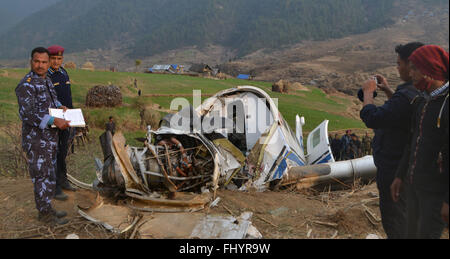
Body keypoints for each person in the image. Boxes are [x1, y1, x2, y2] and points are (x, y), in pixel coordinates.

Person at [360, 42, 424, 239]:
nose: (397, 67)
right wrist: (388, 90)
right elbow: (401, 111)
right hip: (409, 169)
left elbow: (372, 118)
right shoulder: (418, 92)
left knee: (395, 221)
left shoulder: (407, 96)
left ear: (410, 65)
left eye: (399, 63)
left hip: (394, 169)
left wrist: (368, 93)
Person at [390, 45, 449, 239]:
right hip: (414, 186)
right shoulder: (422, 102)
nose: (410, 72)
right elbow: (412, 141)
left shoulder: (446, 105)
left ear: (430, 70)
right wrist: (400, 175)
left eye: (415, 68)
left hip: (435, 194)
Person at [15, 47, 70, 226]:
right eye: (37, 61)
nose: (40, 65)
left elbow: (50, 102)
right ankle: (45, 215)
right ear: (31, 61)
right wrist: (53, 119)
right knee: (41, 177)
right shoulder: (27, 84)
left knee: (48, 176)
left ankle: (47, 207)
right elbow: (28, 114)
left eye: (44, 62)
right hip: (37, 140)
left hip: (49, 139)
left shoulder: (45, 80)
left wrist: (61, 107)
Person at [47, 45, 77, 202]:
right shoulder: (46, 76)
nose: (56, 62)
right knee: (53, 152)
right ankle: (53, 185)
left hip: (67, 119)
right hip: (53, 122)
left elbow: (68, 97)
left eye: (59, 59)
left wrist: (73, 115)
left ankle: (63, 180)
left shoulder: (64, 73)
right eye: (53, 59)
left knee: (63, 150)